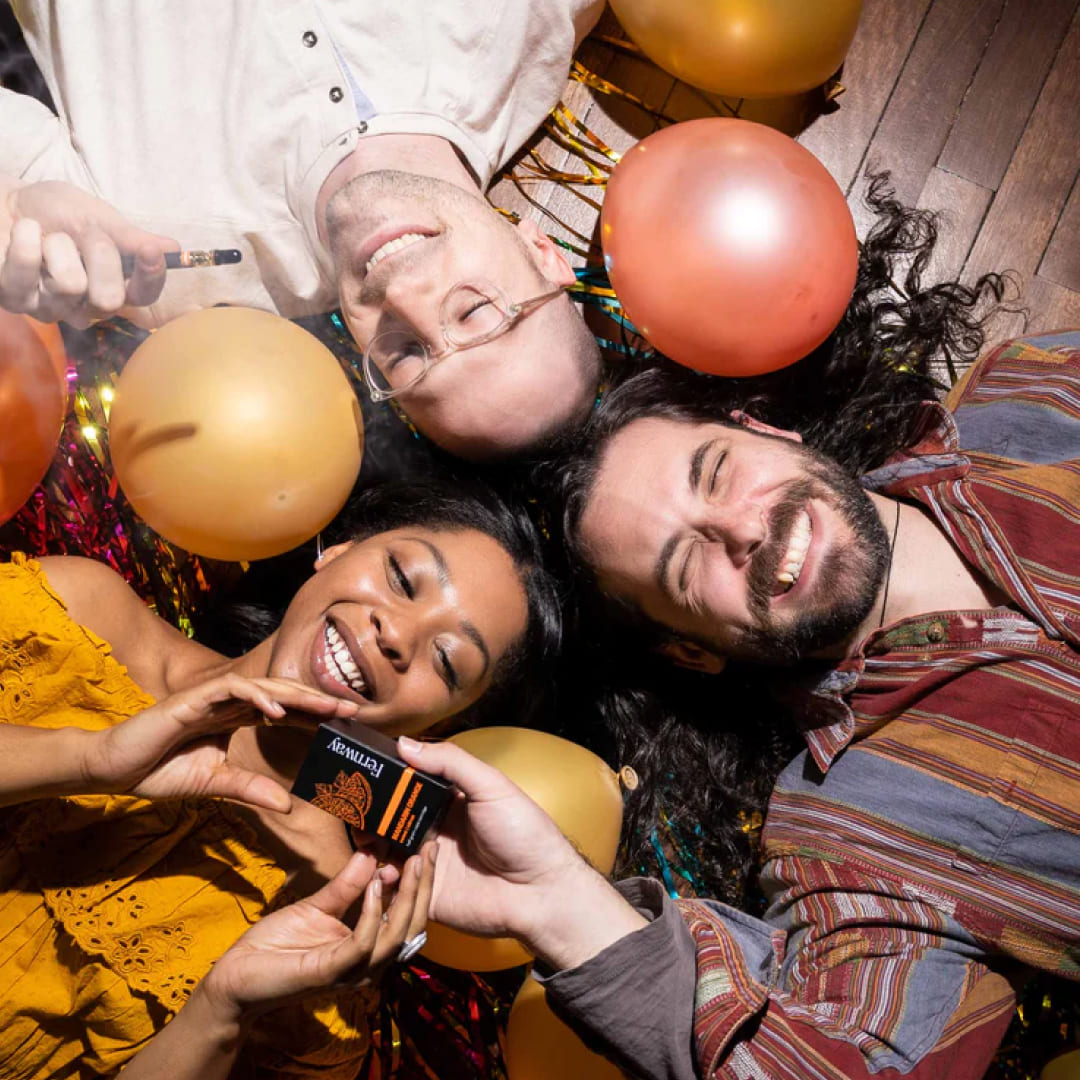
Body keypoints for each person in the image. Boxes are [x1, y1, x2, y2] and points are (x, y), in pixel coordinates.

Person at [414, 328, 1078, 1080]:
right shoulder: (849, 843)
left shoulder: (1039, 386)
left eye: (716, 472)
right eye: (686, 565)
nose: (741, 527)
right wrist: (558, 905)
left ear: (765, 429)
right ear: (693, 650)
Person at [0, 480, 561, 1078]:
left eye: (447, 661)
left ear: (439, 728)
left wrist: (221, 1010)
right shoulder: (73, 617)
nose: (396, 635)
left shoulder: (326, 914)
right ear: (337, 552)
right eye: (401, 578)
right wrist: (90, 759)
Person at [0, 0, 603, 459]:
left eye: (405, 357)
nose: (403, 299)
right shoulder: (531, 23)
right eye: (476, 314)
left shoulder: (159, 266)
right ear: (543, 252)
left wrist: (14, 202)